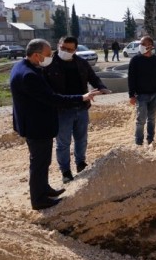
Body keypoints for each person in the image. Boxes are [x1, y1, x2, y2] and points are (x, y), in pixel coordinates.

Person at [10, 39, 98, 210]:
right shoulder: (29, 75)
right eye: (48, 55)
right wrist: (82, 97)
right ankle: (39, 199)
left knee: (43, 162)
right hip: (37, 127)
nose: (51, 57)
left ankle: (45, 189)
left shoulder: (22, 66)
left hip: (33, 123)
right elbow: (53, 99)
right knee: (39, 163)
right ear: (36, 55)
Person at [45, 36, 111, 183]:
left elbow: (93, 77)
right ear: (58, 45)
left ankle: (80, 163)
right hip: (62, 110)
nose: (66, 51)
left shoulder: (81, 63)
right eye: (63, 48)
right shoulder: (50, 64)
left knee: (81, 139)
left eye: (70, 49)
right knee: (63, 143)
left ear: (75, 50)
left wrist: (102, 87)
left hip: (81, 108)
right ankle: (66, 171)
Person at [128, 36, 156, 146]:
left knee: (152, 119)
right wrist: (131, 95)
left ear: (150, 46)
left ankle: (150, 140)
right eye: (140, 43)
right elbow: (131, 78)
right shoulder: (135, 60)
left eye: (143, 44)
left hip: (155, 95)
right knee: (141, 120)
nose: (140, 46)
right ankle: (138, 143)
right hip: (141, 96)